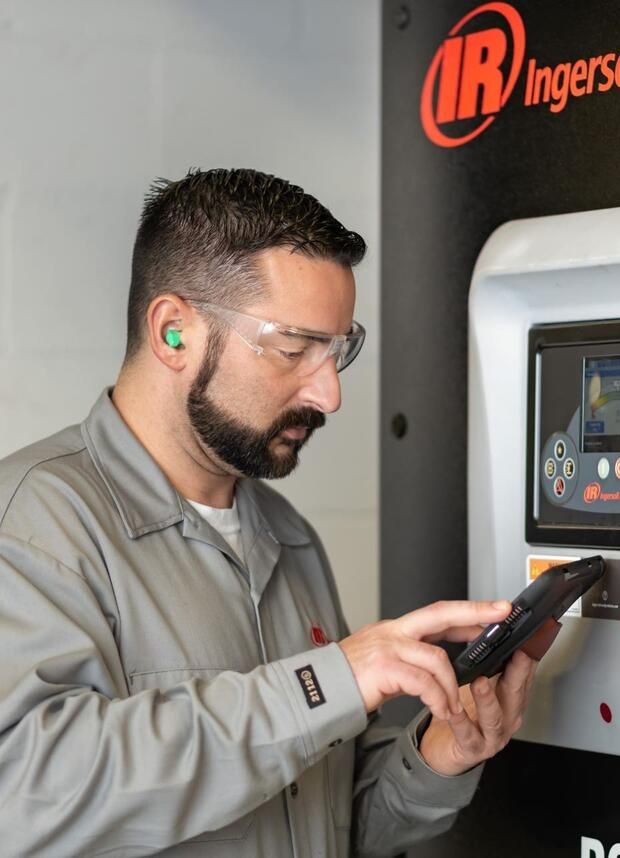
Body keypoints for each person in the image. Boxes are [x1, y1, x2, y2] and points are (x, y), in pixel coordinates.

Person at [0, 169, 558, 857]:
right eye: (293, 350)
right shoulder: (33, 526)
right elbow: (27, 795)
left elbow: (329, 824)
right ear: (175, 333)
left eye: (337, 352)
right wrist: (332, 680)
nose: (328, 394)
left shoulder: (289, 539)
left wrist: (438, 756)